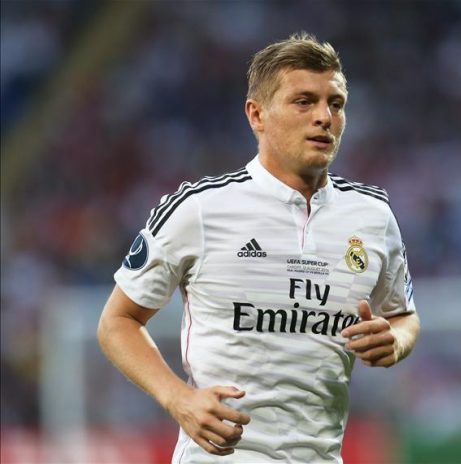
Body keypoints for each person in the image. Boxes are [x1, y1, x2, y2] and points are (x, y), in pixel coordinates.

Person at [97, 32, 420, 463]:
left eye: (335, 103)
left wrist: (395, 340)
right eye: (303, 101)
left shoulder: (373, 217)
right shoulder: (199, 209)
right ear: (257, 114)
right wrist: (179, 398)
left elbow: (403, 316)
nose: (324, 117)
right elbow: (117, 321)